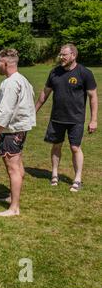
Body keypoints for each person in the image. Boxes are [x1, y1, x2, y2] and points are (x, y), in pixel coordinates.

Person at [35, 44, 98, 192]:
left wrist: (94, 119)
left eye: (64, 55)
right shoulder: (54, 73)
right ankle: (55, 175)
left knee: (75, 147)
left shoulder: (85, 73)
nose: (61, 57)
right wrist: (33, 112)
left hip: (76, 118)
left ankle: (77, 179)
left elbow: (93, 97)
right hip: (57, 118)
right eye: (60, 54)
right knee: (56, 145)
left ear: (73, 55)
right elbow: (45, 94)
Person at [0, 49, 36, 217]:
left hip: (10, 131)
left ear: (6, 64)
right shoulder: (23, 80)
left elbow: (5, 111)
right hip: (19, 129)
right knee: (18, 166)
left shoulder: (10, 83)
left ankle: (14, 208)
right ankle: (12, 198)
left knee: (13, 169)